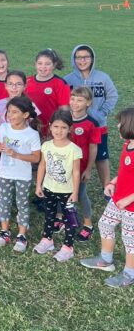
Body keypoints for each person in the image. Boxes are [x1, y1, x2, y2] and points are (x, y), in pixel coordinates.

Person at [80, 108, 134, 288]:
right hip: (118, 198)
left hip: (130, 205)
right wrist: (112, 182)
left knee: (130, 240)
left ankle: (130, 274)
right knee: (105, 224)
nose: (117, 126)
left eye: (121, 123)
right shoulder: (128, 144)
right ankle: (105, 260)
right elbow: (125, 172)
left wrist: (128, 200)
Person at [64, 44, 118, 188]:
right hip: (76, 125)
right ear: (73, 59)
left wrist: (102, 113)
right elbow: (64, 101)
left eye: (86, 57)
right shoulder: (68, 79)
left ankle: (107, 188)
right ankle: (72, 188)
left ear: (92, 58)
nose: (82, 60)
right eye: (78, 57)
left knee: (101, 157)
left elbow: (112, 96)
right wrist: (71, 115)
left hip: (98, 125)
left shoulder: (103, 77)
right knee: (74, 155)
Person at [0, 96, 41, 252]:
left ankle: (21, 236)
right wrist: (0, 148)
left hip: (22, 176)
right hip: (4, 173)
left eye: (14, 112)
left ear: (25, 115)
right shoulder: (4, 128)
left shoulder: (32, 134)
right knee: (4, 204)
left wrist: (16, 154)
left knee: (22, 204)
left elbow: (36, 157)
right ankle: (4, 232)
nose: (10, 115)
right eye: (8, 111)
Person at [33, 110, 82, 261]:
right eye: (56, 126)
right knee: (49, 215)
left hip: (67, 191)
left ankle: (68, 247)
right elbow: (42, 165)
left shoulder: (74, 149)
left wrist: (75, 192)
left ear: (70, 129)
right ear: (50, 126)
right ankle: (47, 239)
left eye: (63, 127)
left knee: (69, 219)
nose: (59, 131)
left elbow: (76, 172)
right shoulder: (46, 145)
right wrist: (38, 185)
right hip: (49, 188)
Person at [67, 87, 101, 242]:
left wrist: (88, 169)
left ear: (88, 102)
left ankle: (88, 225)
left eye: (80, 100)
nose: (75, 103)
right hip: (64, 164)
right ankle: (63, 219)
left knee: (80, 194)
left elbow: (93, 147)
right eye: (72, 99)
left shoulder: (92, 123)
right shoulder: (64, 118)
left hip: (80, 167)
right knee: (62, 192)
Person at [26, 49, 70, 138]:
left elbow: (64, 110)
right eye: (40, 63)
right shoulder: (27, 81)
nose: (43, 67)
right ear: (35, 64)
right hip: (28, 130)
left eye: (47, 64)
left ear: (54, 65)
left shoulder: (60, 83)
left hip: (50, 131)